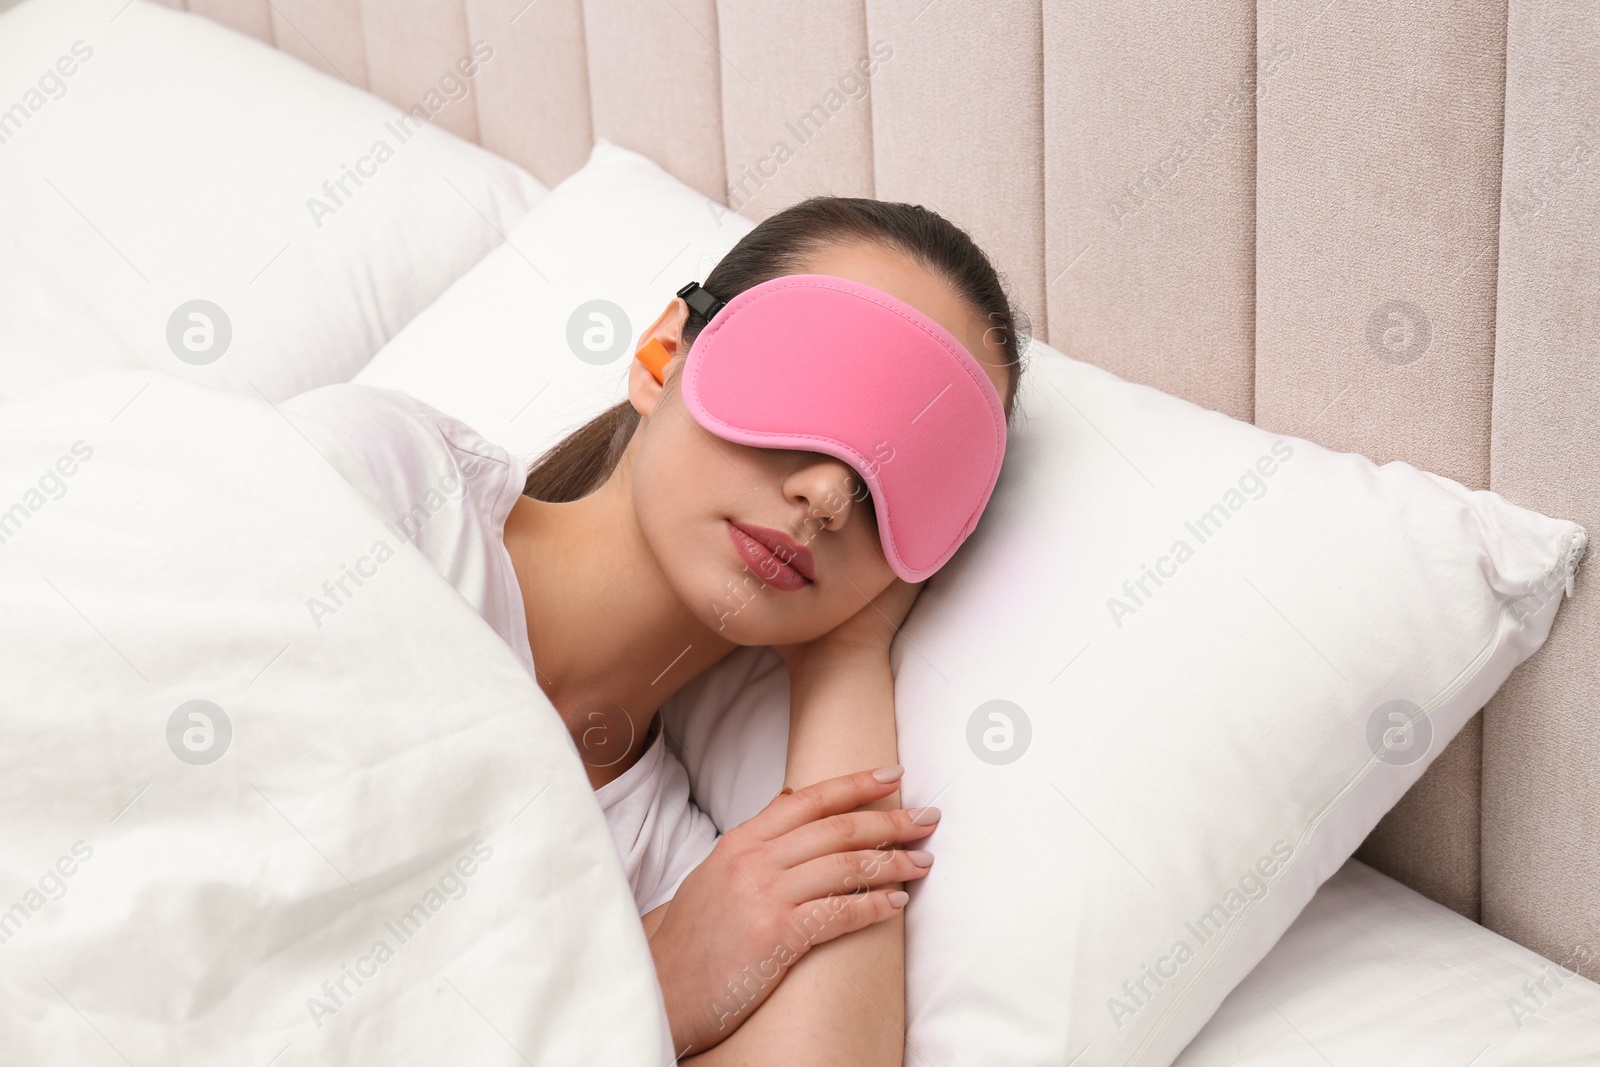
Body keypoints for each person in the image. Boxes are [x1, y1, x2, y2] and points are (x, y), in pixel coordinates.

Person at [283, 195, 1028, 1064]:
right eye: (816, 385)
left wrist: (847, 659)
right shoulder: (390, 491)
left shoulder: (675, 877)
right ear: (664, 353)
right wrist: (639, 990)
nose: (829, 496)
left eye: (906, 479)